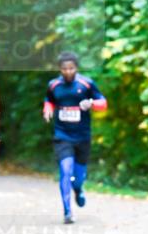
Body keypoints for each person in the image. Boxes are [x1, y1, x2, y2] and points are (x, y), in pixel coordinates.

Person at [43, 52, 107, 223]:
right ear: (60, 69)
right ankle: (67, 212)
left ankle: (78, 189)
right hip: (62, 135)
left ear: (76, 68)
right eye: (64, 69)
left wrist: (92, 103)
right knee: (65, 170)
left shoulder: (86, 84)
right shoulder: (54, 85)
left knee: (78, 178)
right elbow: (49, 99)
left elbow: (103, 103)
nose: (68, 72)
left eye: (71, 68)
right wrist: (47, 108)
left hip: (82, 137)